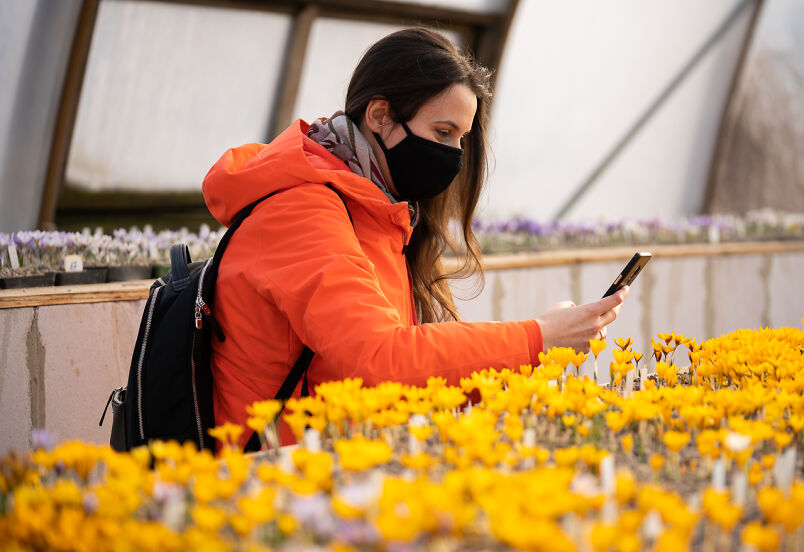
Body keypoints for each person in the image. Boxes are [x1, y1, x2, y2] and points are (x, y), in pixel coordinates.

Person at [202, 27, 628, 447]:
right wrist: (537, 337)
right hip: (266, 479)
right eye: (443, 133)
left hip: (333, 460)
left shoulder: (380, 211)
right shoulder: (299, 211)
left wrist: (541, 347)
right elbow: (383, 361)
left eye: (461, 138)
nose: (455, 156)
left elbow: (408, 381)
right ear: (379, 116)